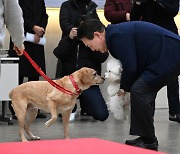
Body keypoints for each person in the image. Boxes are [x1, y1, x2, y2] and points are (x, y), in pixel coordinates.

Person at [77, 19, 180, 150]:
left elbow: (130, 66)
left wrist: (123, 88)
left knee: (140, 90)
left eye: (89, 45)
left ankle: (149, 141)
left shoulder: (115, 36)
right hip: (164, 55)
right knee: (141, 91)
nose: (92, 49)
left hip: (170, 54)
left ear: (97, 35)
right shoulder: (114, 35)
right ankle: (146, 137)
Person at [56, 0, 107, 120]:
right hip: (69, 81)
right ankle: (72, 106)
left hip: (89, 83)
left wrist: (90, 45)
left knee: (101, 114)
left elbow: (103, 57)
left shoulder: (93, 42)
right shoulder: (69, 38)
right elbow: (58, 53)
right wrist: (71, 38)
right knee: (65, 115)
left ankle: (85, 105)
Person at [130, 0, 180, 123]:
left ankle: (175, 111)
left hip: (169, 36)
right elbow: (133, 18)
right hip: (150, 37)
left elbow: (173, 11)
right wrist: (137, 4)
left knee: (172, 77)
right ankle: (148, 114)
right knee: (149, 75)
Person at [8, 0, 48, 119]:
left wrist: (40, 30)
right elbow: (15, 16)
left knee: (35, 77)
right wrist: (33, 27)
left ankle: (35, 108)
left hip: (36, 41)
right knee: (18, 76)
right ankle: (16, 108)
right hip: (21, 38)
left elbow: (44, 15)